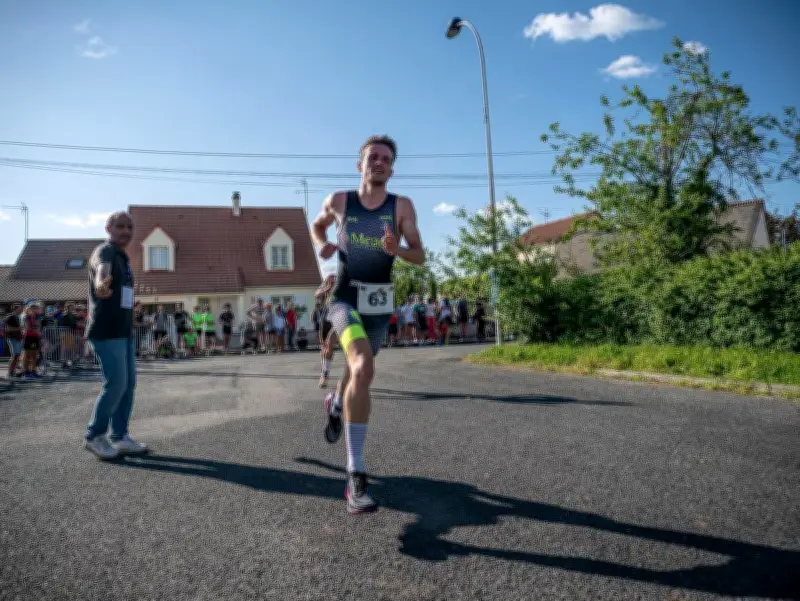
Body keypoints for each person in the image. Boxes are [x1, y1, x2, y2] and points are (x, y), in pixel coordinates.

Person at [310, 134, 424, 514]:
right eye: (372, 157)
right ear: (359, 165)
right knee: (362, 365)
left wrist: (398, 251)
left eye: (385, 158)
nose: (378, 162)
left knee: (357, 372)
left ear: (392, 168)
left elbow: (419, 256)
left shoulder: (401, 207)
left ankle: (335, 402)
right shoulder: (340, 200)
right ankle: (355, 476)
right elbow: (317, 225)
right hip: (344, 298)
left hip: (378, 303)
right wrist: (322, 244)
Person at [84, 211, 148, 460]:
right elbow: (102, 270)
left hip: (123, 331)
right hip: (106, 331)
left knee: (128, 385)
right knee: (117, 384)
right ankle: (94, 435)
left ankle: (119, 437)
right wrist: (100, 285)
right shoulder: (106, 251)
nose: (126, 231)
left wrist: (131, 306)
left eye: (129, 227)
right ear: (108, 228)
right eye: (120, 226)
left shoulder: (124, 258)